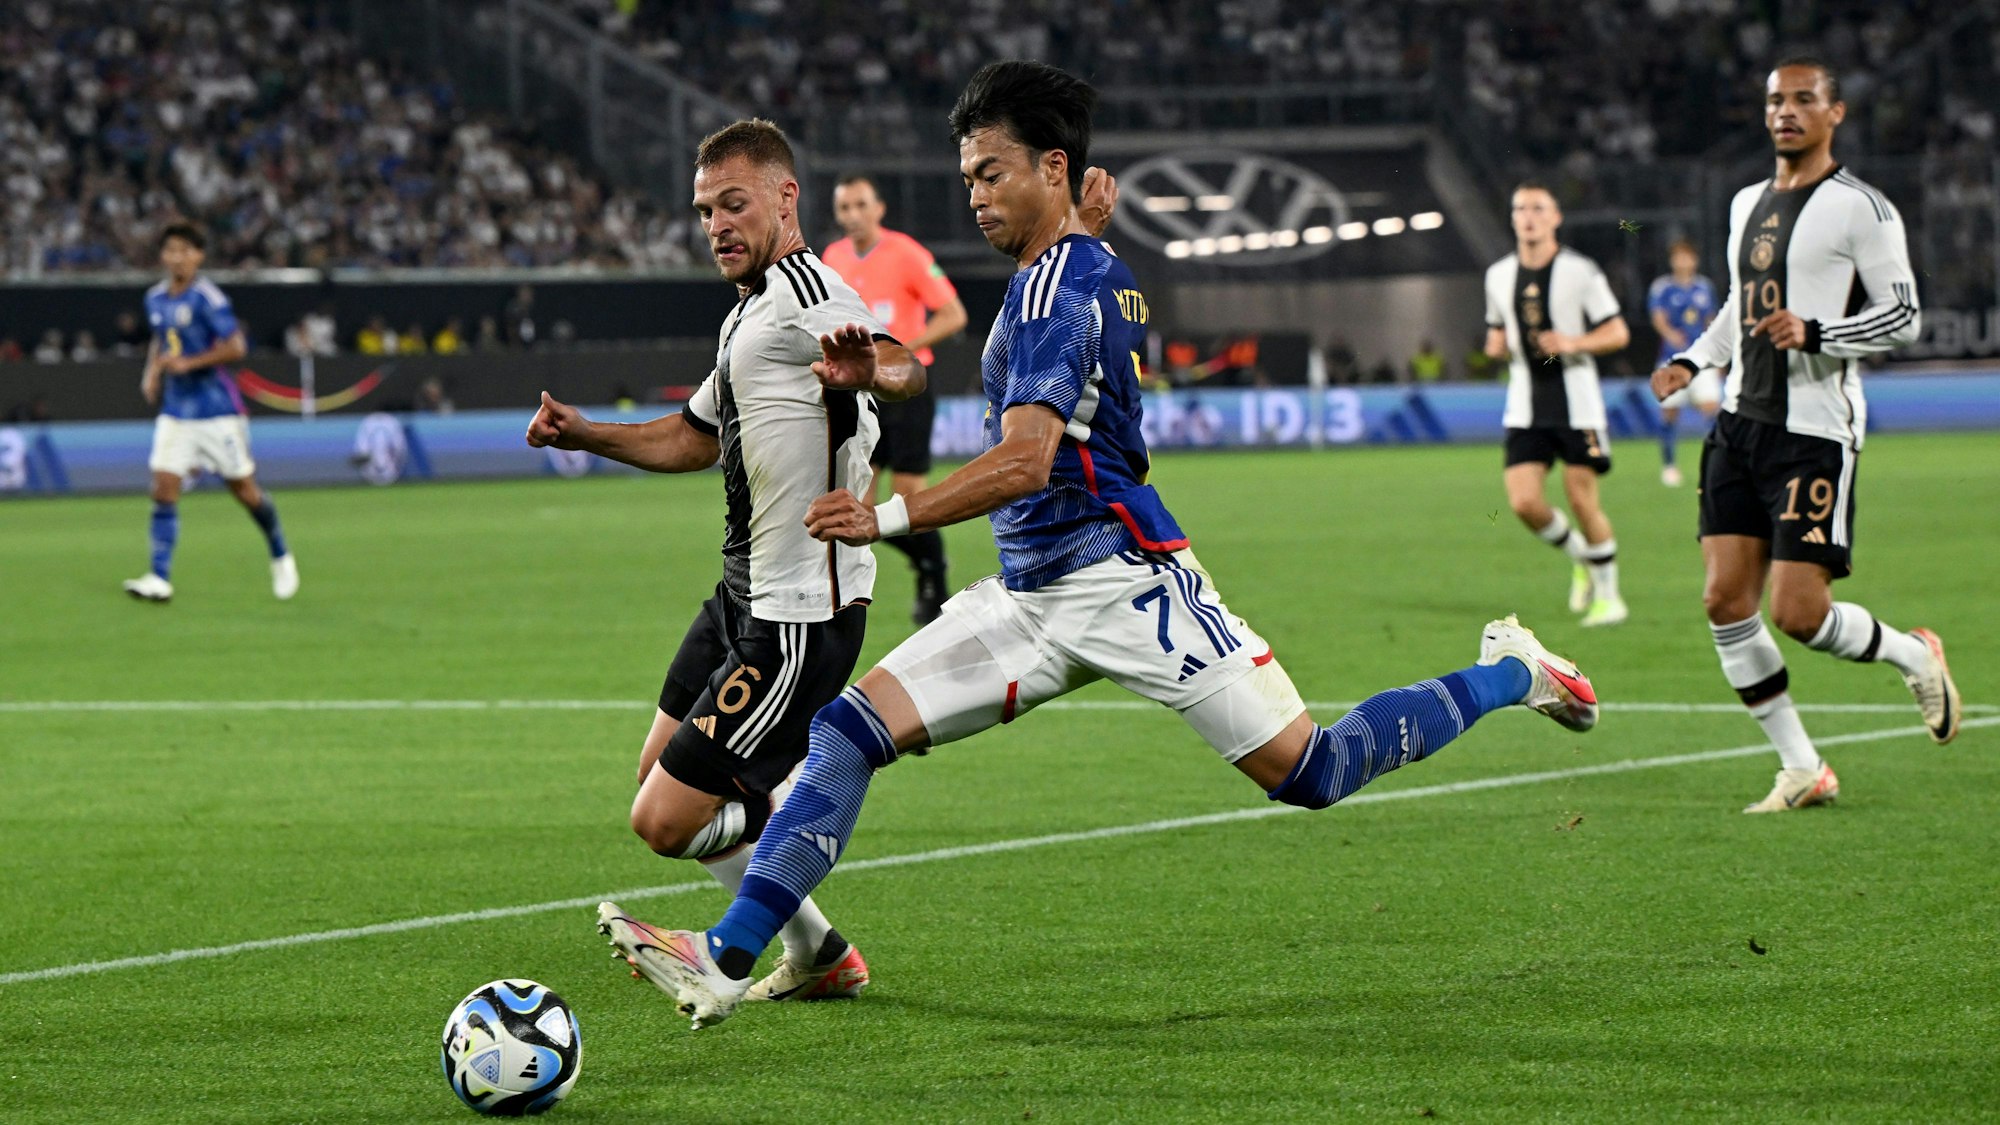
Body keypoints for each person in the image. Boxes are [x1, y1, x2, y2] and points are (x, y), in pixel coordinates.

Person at [595, 60, 1600, 1031]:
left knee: (1312, 772)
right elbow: (1062, 317)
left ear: (1052, 170)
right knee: (846, 735)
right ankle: (730, 959)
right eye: (966, 179)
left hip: (1126, 583)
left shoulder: (1053, 290)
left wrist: (887, 517)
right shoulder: (1082, 263)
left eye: (991, 174)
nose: (975, 197)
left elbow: (1025, 462)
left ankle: (1508, 672)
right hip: (1028, 596)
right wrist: (1078, 225)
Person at [528, 120, 925, 1003]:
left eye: (733, 204)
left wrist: (872, 371)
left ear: (786, 199)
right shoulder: (747, 310)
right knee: (657, 778)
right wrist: (583, 430)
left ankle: (800, 827)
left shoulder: (805, 288)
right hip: (740, 598)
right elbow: (690, 437)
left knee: (666, 818)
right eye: (705, 210)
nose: (716, 225)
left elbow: (902, 364)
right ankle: (822, 955)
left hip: (797, 619)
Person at [1649, 58, 1960, 813]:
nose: (1785, 112)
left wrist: (1818, 331)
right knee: (1725, 598)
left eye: (1802, 100)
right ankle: (1802, 766)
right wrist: (1695, 358)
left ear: (1836, 113)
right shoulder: (1744, 202)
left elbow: (1904, 315)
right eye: (1774, 101)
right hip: (1739, 427)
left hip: (1814, 432)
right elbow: (1738, 301)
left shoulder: (1864, 209)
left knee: (1797, 613)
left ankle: (1914, 652)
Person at [1483, 182, 1633, 627]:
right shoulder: (1497, 276)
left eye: (1537, 208)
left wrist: (1572, 341)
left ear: (1555, 218)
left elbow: (1617, 332)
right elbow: (1496, 334)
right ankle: (1581, 559)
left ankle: (1610, 598)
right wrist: (1496, 347)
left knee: (1580, 497)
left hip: (1578, 402)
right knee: (1524, 503)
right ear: (1512, 219)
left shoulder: (1580, 271)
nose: (1528, 215)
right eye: (1520, 208)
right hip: (1525, 404)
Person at [123, 223, 297, 603]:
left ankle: (280, 552)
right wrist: (152, 372)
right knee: (164, 487)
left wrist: (190, 363)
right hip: (175, 412)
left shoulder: (208, 298)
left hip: (217, 411)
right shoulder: (155, 298)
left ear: (199, 256)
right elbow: (161, 337)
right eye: (171, 250)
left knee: (245, 491)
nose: (177, 257)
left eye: (185, 250)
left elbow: (236, 347)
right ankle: (159, 577)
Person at [822, 174, 969, 624]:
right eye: (844, 207)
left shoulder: (906, 253)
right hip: (860, 395)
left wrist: (906, 345)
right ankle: (925, 566)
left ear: (879, 209)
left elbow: (953, 313)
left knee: (908, 497)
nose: (852, 215)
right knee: (859, 510)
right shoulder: (832, 258)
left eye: (860, 205)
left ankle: (935, 580)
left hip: (905, 392)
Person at [1646, 239, 1721, 486]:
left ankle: (1715, 465)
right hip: (1671, 359)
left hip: (1701, 361)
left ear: (1694, 260)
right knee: (1669, 413)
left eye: (1687, 256)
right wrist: (1671, 335)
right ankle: (1669, 467)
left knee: (1712, 411)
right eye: (1678, 257)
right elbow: (1658, 318)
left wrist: (1718, 355)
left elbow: (1711, 321)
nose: (1683, 261)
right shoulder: (1663, 287)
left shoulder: (1704, 287)